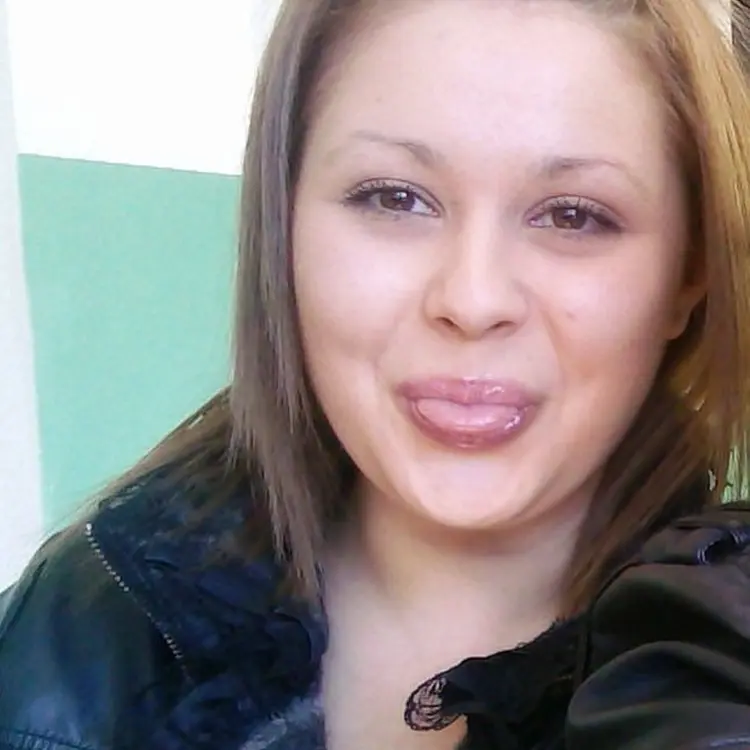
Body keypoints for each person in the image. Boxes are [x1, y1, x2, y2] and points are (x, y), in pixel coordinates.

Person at [3, 0, 750, 748]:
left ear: (687, 274)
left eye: (573, 216)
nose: (472, 300)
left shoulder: (721, 671)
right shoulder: (87, 627)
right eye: (395, 198)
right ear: (284, 228)